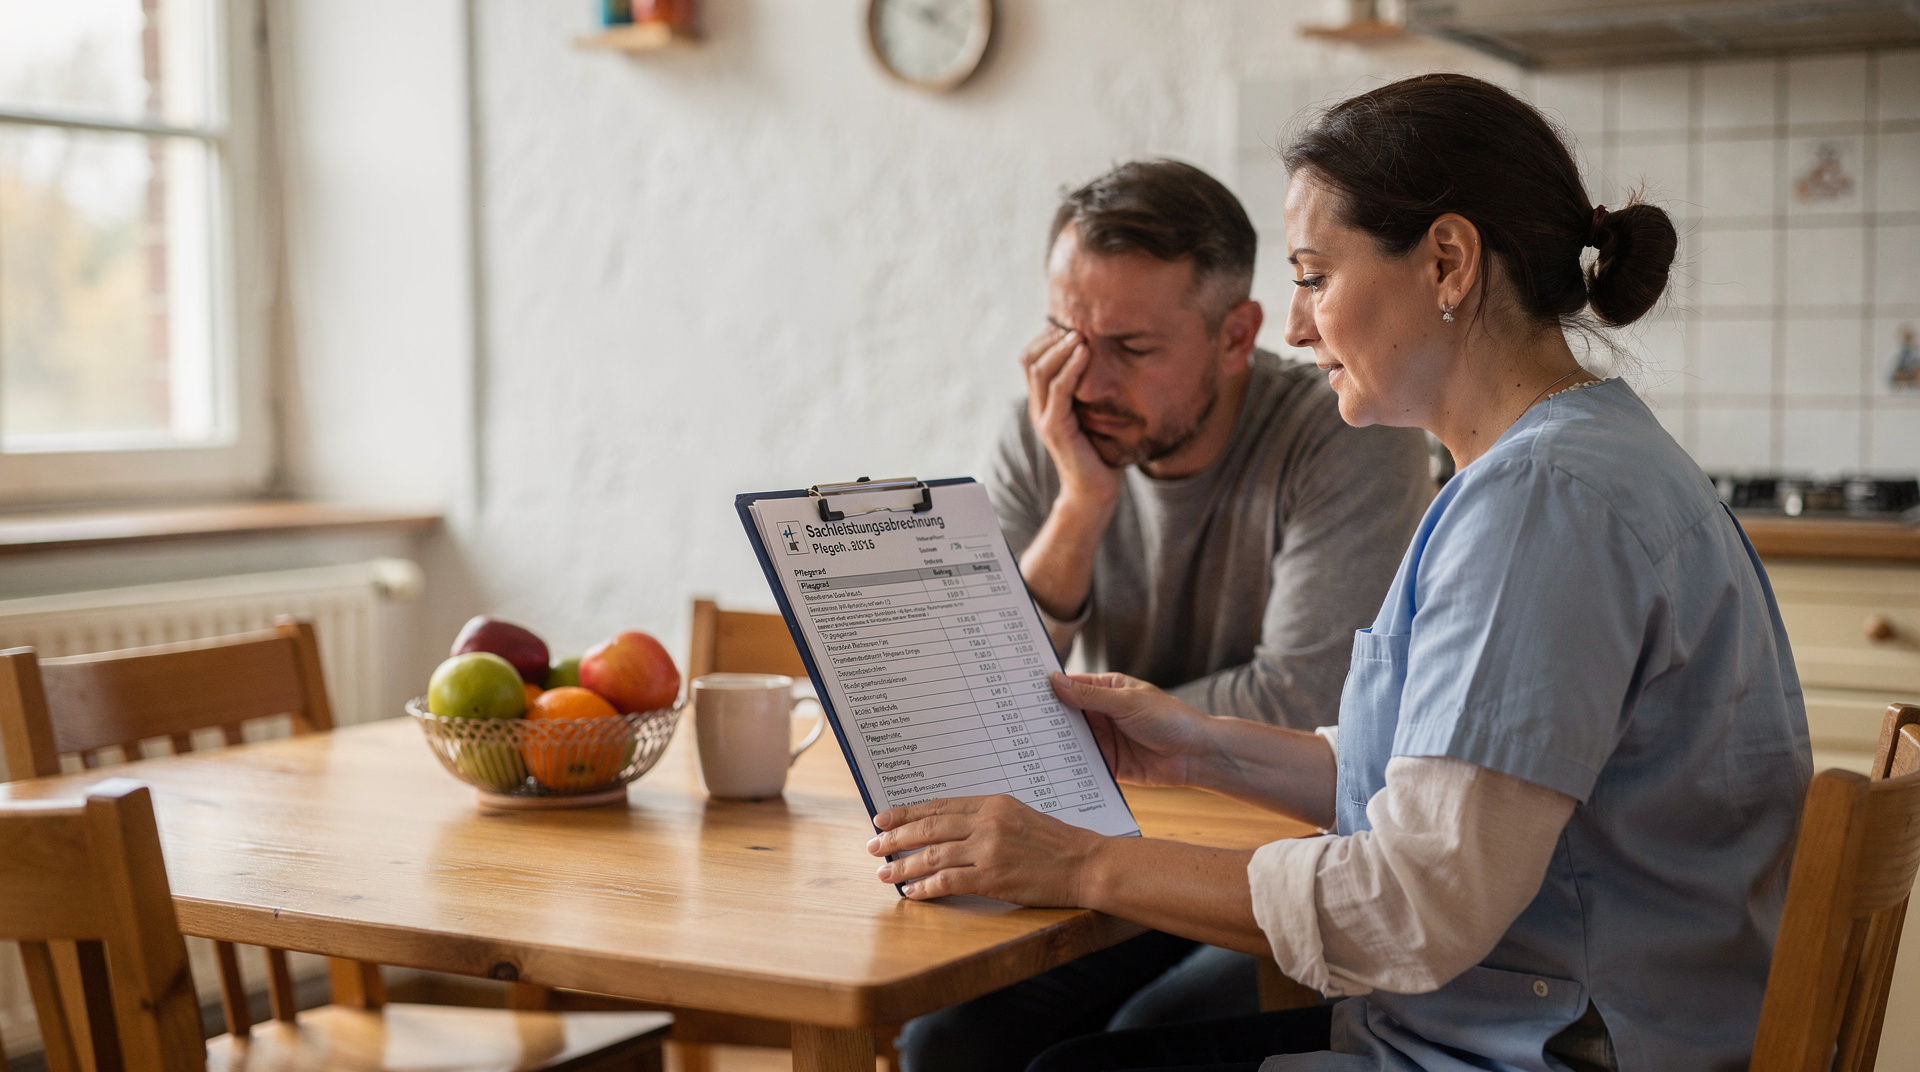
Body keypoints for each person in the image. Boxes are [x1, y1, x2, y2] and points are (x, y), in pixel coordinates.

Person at [868, 73, 1810, 1072]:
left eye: (1315, 277)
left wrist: (1086, 861)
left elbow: (1412, 904)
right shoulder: (1566, 461)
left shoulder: (1542, 500)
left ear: (1448, 262)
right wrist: (1196, 747)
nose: (1296, 325)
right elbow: (1447, 785)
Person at [894, 161, 1433, 1072]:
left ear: (1236, 336)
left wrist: (1073, 728)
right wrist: (1079, 505)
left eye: (1133, 349)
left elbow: (1304, 690)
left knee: (1142, 1042)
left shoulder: (1346, 432)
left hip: (1290, 855)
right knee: (948, 1041)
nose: (1086, 378)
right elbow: (990, 691)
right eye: (1066, 332)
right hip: (1107, 833)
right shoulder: (1055, 423)